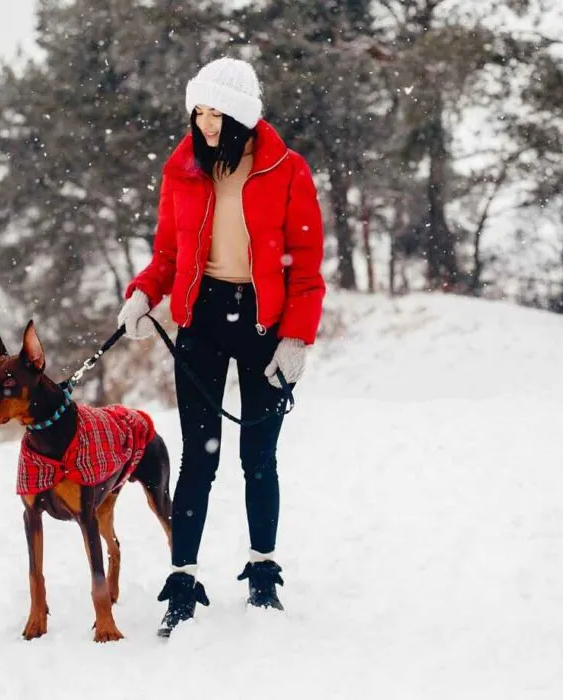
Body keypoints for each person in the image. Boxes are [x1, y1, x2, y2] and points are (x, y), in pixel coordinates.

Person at [116, 56, 326, 636]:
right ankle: (182, 580)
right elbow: (166, 254)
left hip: (262, 324)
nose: (205, 125)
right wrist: (143, 295)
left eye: (215, 114)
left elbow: (306, 267)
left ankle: (262, 572)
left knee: (257, 458)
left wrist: (296, 337)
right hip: (202, 320)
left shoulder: (287, 170)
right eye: (198, 112)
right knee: (198, 459)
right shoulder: (184, 167)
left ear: (241, 116)